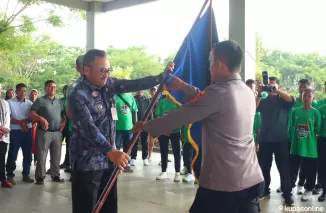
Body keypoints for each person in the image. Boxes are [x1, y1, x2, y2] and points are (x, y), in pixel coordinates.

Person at [133, 40, 264, 213]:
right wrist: (183, 86)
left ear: (218, 64)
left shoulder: (218, 93)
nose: (209, 67)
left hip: (225, 184)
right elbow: (209, 102)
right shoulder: (246, 91)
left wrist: (145, 126)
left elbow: (180, 115)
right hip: (252, 179)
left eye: (210, 62)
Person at [68, 49, 174, 213]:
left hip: (109, 161)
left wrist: (160, 77)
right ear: (86, 70)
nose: (106, 74)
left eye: (108, 70)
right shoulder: (77, 93)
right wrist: (110, 150)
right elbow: (88, 127)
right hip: (87, 164)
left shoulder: (109, 84)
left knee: (109, 206)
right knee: (87, 207)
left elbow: (134, 83)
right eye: (102, 70)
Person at [256, 76, 294, 205]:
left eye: (274, 85)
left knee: (284, 168)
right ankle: (264, 190)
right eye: (269, 86)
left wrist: (277, 91)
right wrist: (259, 94)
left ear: (278, 87)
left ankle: (287, 193)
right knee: (264, 167)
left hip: (281, 139)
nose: (271, 88)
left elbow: (291, 100)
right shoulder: (263, 100)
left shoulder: (282, 100)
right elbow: (253, 108)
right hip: (265, 139)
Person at [29, 80, 66, 185]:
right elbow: (31, 113)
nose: (52, 89)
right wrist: (41, 118)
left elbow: (63, 115)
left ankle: (55, 174)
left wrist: (64, 121)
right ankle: (40, 177)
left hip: (57, 133)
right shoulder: (40, 101)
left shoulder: (59, 102)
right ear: (45, 88)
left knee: (57, 155)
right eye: (50, 87)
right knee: (41, 155)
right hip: (44, 132)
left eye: (54, 87)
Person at [287, 79, 319, 195]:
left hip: (309, 143)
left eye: (305, 87)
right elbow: (290, 124)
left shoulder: (314, 108)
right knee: (293, 165)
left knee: (307, 166)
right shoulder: (294, 104)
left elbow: (317, 127)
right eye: (301, 87)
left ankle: (304, 185)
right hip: (295, 140)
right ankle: (289, 186)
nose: (302, 89)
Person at [6, 83, 34, 185]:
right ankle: (9, 175)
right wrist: (20, 122)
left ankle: (26, 174)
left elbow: (32, 116)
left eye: (24, 91)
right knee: (13, 153)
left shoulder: (30, 103)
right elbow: (8, 117)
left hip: (27, 131)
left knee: (28, 154)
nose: (23, 93)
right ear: (16, 92)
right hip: (15, 131)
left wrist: (26, 122)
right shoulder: (9, 103)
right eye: (20, 91)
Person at [155, 96, 181, 182]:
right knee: (163, 150)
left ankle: (177, 173)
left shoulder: (177, 102)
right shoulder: (162, 102)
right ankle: (163, 171)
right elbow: (158, 116)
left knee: (176, 151)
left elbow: (180, 117)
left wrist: (172, 128)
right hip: (163, 131)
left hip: (175, 131)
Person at [115, 92, 138, 173]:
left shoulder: (130, 97)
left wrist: (136, 125)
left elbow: (135, 111)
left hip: (129, 127)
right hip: (117, 128)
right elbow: (112, 110)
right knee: (116, 146)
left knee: (127, 146)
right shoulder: (114, 96)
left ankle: (126, 164)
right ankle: (116, 165)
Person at [131, 90, 150, 166]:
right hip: (134, 124)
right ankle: (133, 158)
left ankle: (145, 158)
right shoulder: (133, 98)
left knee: (144, 142)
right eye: (138, 90)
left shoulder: (147, 99)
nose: (139, 91)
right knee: (134, 141)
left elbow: (150, 111)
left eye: (141, 90)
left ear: (144, 91)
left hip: (145, 124)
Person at [0, 99, 13, 188]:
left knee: (1, 159)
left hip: (3, 135)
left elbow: (7, 117)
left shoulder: (5, 103)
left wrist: (5, 128)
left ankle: (3, 180)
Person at [246, 79, 260, 153]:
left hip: (254, 139)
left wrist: (257, 143)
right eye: (247, 86)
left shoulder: (261, 101)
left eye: (251, 86)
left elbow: (259, 128)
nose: (248, 88)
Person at [60, 85, 72, 173]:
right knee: (56, 147)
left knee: (70, 147)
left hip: (71, 128)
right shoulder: (60, 101)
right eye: (65, 90)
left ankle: (68, 164)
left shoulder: (73, 101)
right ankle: (55, 166)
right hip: (60, 127)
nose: (66, 92)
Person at [317, 100, 326, 201]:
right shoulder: (321, 108)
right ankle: (324, 191)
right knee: (323, 166)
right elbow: (318, 127)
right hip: (323, 140)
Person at [29, 89, 38, 166]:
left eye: (35, 94)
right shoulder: (27, 103)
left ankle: (36, 159)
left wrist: (36, 122)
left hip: (37, 126)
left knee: (36, 142)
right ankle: (29, 159)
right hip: (28, 125)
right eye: (32, 94)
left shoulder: (39, 103)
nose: (33, 96)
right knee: (29, 143)